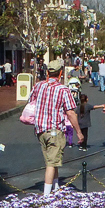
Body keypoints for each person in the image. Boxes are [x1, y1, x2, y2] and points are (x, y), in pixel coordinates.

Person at [28, 60, 83, 196]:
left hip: (40, 129)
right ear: (60, 73)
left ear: (47, 72)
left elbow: (31, 102)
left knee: (52, 159)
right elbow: (70, 112)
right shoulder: (63, 90)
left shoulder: (38, 86)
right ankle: (46, 196)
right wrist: (78, 132)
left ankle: (56, 186)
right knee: (51, 163)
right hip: (54, 129)